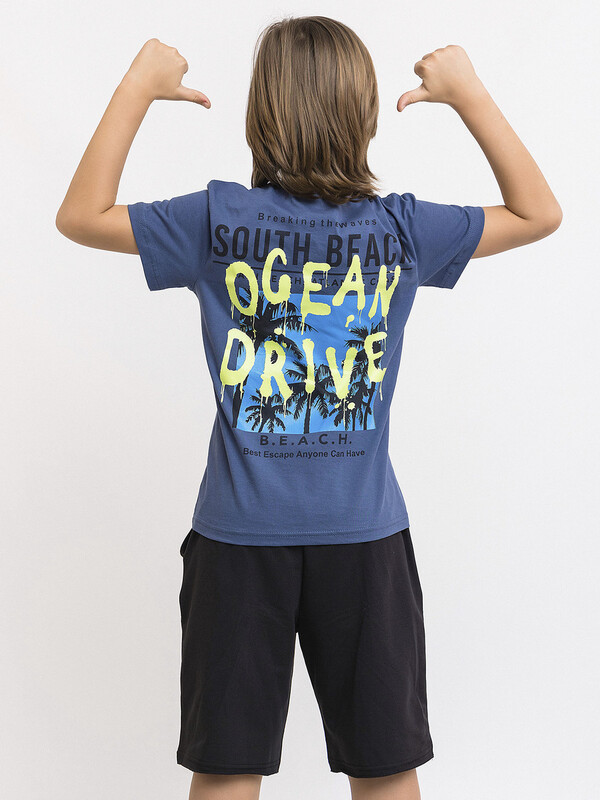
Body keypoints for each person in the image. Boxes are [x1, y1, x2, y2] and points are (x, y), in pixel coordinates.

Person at [55, 15, 562, 800]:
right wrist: (469, 96)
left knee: (228, 768)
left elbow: (80, 215)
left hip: (242, 542)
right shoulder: (400, 228)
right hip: (360, 540)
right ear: (365, 114)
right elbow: (538, 213)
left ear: (261, 114)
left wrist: (138, 87)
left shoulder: (217, 221)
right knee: (383, 770)